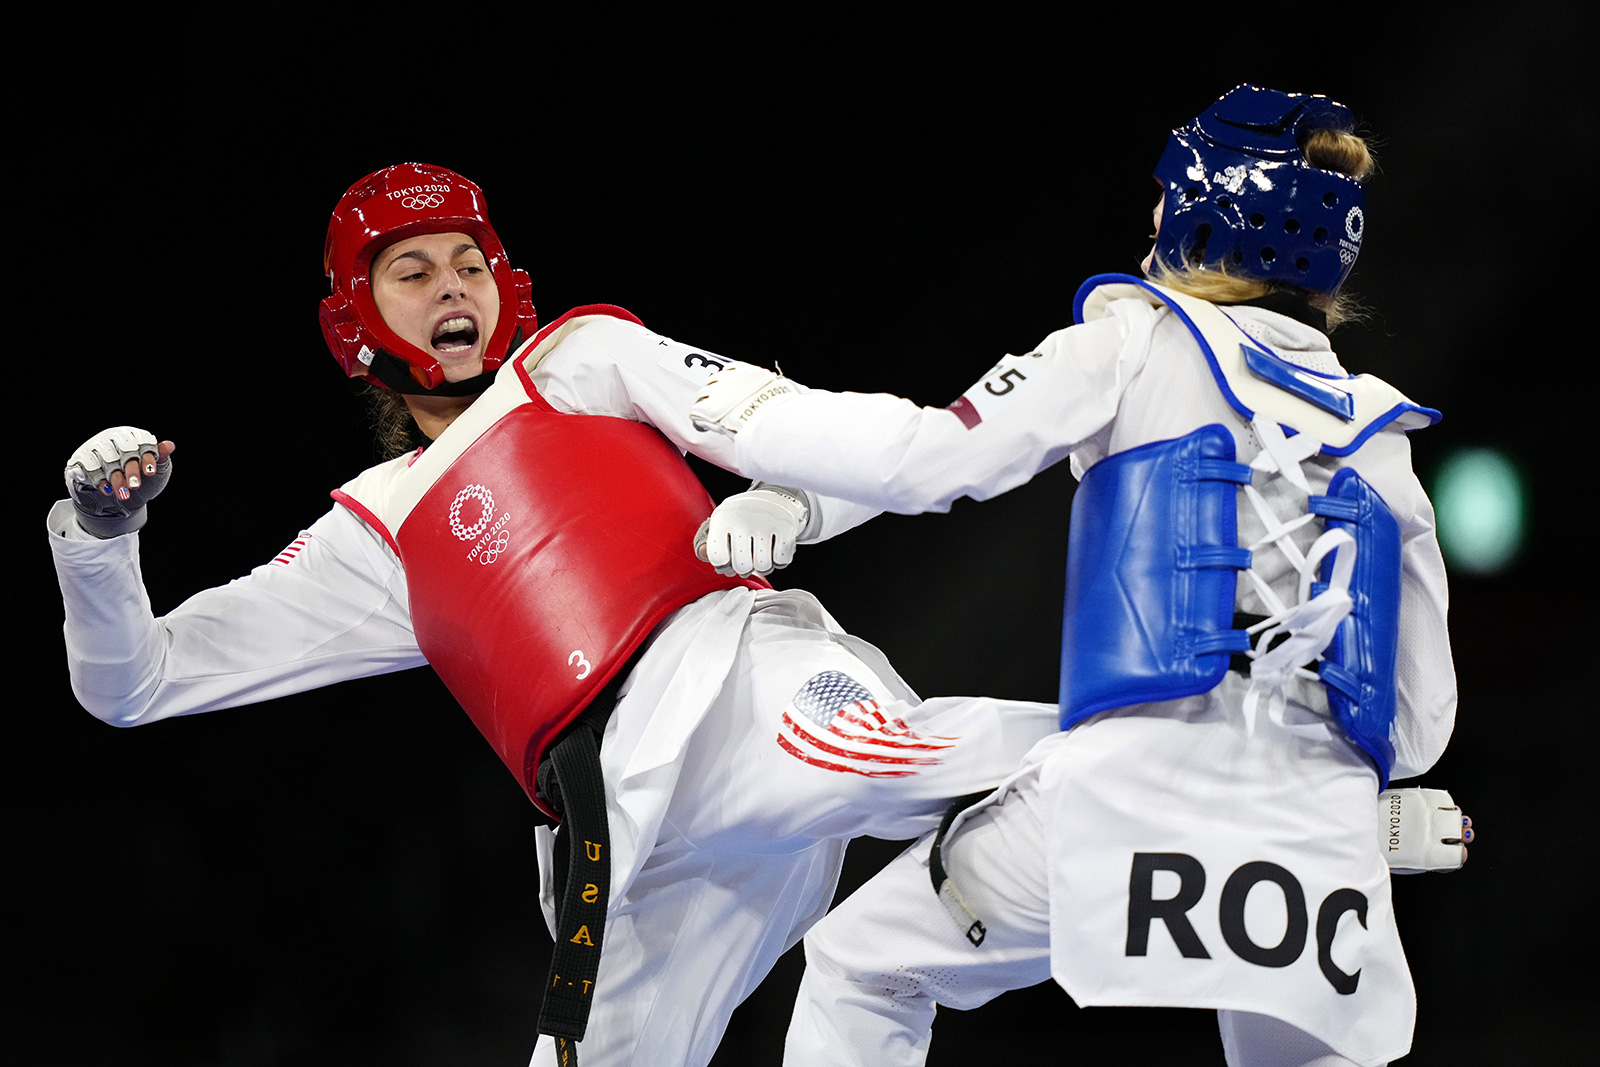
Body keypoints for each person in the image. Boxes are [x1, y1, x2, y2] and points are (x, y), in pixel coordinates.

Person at [49, 162, 1061, 1067]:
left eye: (469, 262)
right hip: (624, 828)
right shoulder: (374, 529)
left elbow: (807, 431)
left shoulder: (580, 358)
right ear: (357, 322)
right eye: (413, 271)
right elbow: (132, 684)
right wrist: (98, 537)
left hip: (736, 679)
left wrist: (790, 498)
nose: (452, 285)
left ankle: (1177, 755)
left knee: (891, 751)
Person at [687, 86, 1468, 1067]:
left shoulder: (1131, 340)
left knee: (864, 967)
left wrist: (767, 421)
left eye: (1164, 194)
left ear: (1203, 210)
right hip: (1312, 842)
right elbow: (1417, 720)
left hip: (1120, 801)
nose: (1150, 215)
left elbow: (931, 459)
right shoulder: (1381, 438)